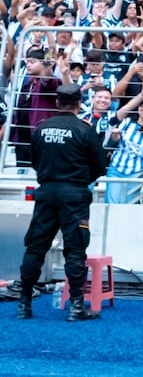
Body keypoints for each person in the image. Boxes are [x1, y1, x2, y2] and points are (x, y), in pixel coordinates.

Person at [16, 84, 108, 322]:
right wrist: (78, 181)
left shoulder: (41, 129)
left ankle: (24, 304)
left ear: (57, 102)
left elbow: (33, 161)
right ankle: (76, 307)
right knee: (75, 249)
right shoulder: (85, 130)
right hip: (74, 195)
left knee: (35, 247)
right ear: (79, 103)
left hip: (46, 192)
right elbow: (99, 167)